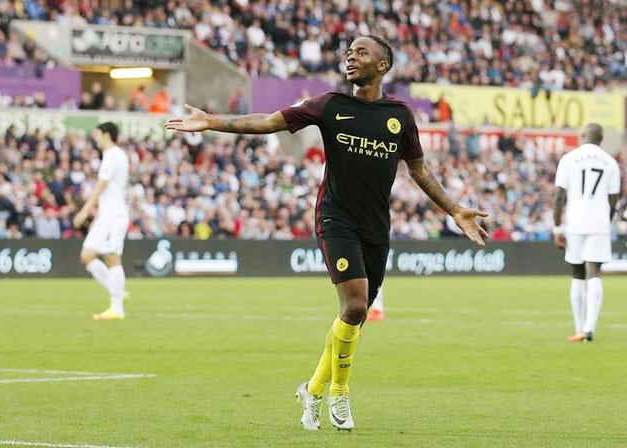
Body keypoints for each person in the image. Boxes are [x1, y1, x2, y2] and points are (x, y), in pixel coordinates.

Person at [164, 35, 488, 431]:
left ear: (382, 65)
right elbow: (269, 123)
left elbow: (418, 169)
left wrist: (454, 208)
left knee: (356, 316)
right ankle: (340, 394)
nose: (351, 56)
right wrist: (213, 121)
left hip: (375, 225)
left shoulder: (399, 115)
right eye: (349, 51)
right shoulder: (329, 105)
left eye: (361, 52)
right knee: (354, 306)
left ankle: (313, 389)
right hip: (336, 217)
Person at [553, 123, 620, 343]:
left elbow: (558, 196)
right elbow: (613, 199)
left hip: (574, 221)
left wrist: (557, 227)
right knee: (594, 273)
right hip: (598, 221)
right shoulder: (611, 162)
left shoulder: (569, 159)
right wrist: (605, 221)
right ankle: (590, 328)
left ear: (582, 136)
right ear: (601, 139)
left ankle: (579, 327)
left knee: (577, 273)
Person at [73, 122, 130, 321]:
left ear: (107, 135)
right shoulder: (115, 155)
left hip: (114, 215)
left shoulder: (113, 155)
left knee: (112, 256)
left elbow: (101, 186)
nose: (95, 138)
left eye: (98, 134)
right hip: (106, 214)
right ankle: (116, 289)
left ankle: (117, 307)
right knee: (87, 255)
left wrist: (84, 211)